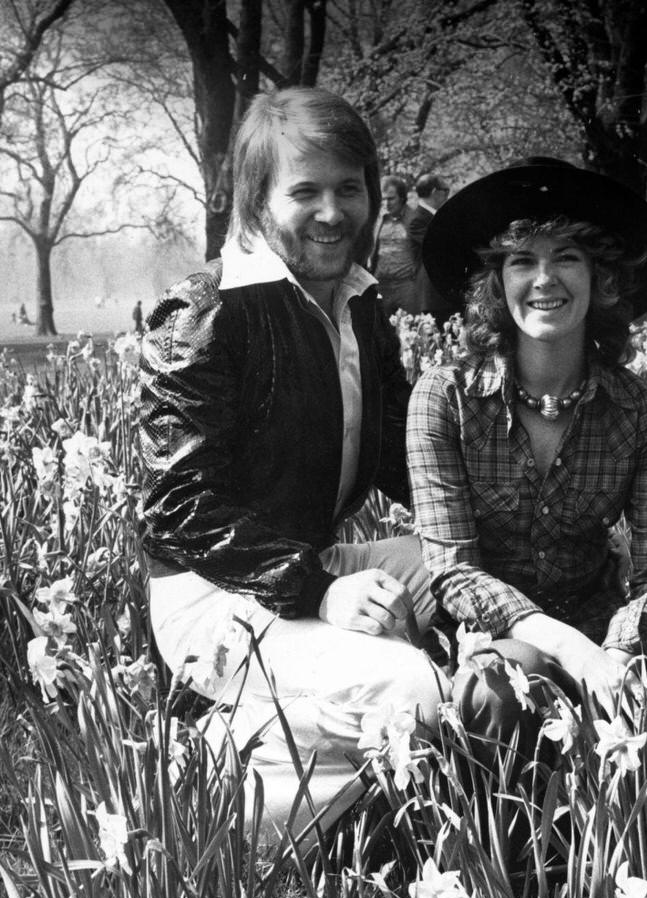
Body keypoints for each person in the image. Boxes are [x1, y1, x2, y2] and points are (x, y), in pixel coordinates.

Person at [139, 86, 448, 838]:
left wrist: (508, 529)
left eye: (350, 188)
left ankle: (285, 743)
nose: (333, 212)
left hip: (310, 566)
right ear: (256, 202)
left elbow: (408, 456)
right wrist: (320, 591)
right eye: (304, 191)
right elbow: (180, 509)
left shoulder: (357, 301)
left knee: (457, 568)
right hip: (215, 600)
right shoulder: (205, 313)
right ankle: (215, 772)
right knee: (420, 688)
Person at [410, 156, 647, 745]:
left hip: (601, 632)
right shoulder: (445, 398)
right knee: (507, 682)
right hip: (484, 641)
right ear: (496, 283)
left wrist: (615, 656)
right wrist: (569, 649)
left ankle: (592, 835)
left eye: (566, 257)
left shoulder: (643, 411)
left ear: (600, 279)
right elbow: (454, 570)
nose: (545, 280)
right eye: (522, 261)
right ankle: (506, 835)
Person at [408, 173, 456, 325]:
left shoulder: (439, 216)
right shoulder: (417, 220)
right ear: (435, 192)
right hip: (433, 297)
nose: (448, 196)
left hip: (447, 293)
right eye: (446, 191)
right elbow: (442, 246)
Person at [372, 175, 417, 316]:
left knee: (411, 329)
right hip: (381, 285)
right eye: (383, 199)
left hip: (407, 285)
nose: (386, 203)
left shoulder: (415, 218)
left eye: (391, 199)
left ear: (402, 198)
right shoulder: (377, 219)